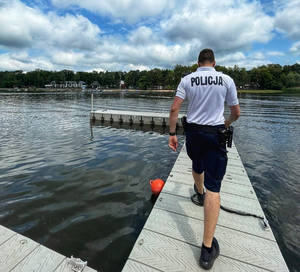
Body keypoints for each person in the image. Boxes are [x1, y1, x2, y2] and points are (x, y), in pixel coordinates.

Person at [168, 49, 240, 270]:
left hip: (193, 133)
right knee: (214, 187)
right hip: (214, 134)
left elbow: (174, 108)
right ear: (214, 63)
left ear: (198, 63)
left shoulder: (187, 79)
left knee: (196, 164)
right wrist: (224, 125)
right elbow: (236, 112)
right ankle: (207, 251)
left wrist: (172, 133)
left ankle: (199, 194)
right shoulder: (226, 79)